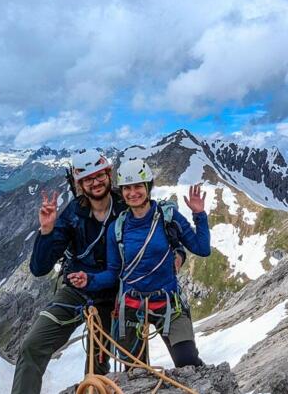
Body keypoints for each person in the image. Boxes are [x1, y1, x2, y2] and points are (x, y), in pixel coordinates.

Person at [11, 150, 185, 394]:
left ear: (108, 175)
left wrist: (179, 253)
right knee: (32, 345)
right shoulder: (72, 214)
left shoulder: (127, 205)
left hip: (117, 297)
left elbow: (162, 228)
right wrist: (47, 230)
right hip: (77, 292)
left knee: (103, 367)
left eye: (99, 175)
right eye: (88, 179)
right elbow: (39, 268)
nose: (95, 182)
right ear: (79, 184)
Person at [67, 158, 210, 368]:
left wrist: (199, 214)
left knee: (188, 362)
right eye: (127, 188)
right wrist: (88, 279)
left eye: (138, 187)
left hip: (169, 303)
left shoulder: (168, 217)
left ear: (148, 187)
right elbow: (114, 273)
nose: (133, 193)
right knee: (136, 371)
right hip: (131, 307)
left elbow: (202, 248)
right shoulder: (117, 227)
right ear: (122, 191)